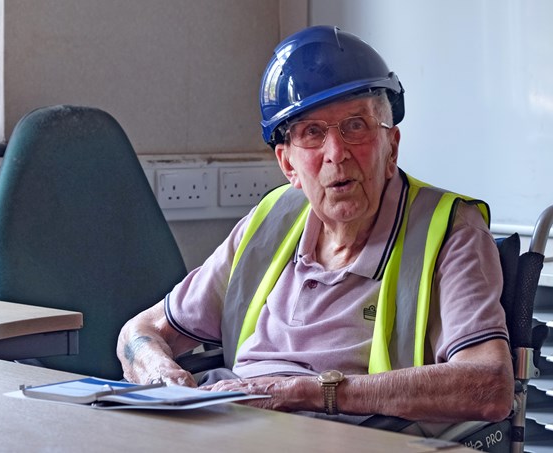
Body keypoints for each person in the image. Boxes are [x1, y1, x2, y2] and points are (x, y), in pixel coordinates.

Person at [117, 26, 513, 434]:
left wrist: (314, 393)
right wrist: (160, 377)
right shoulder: (268, 222)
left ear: (391, 147)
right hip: (225, 428)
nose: (336, 154)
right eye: (312, 133)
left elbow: (489, 386)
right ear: (288, 165)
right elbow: (140, 331)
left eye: (355, 126)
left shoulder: (449, 229)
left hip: (349, 436)